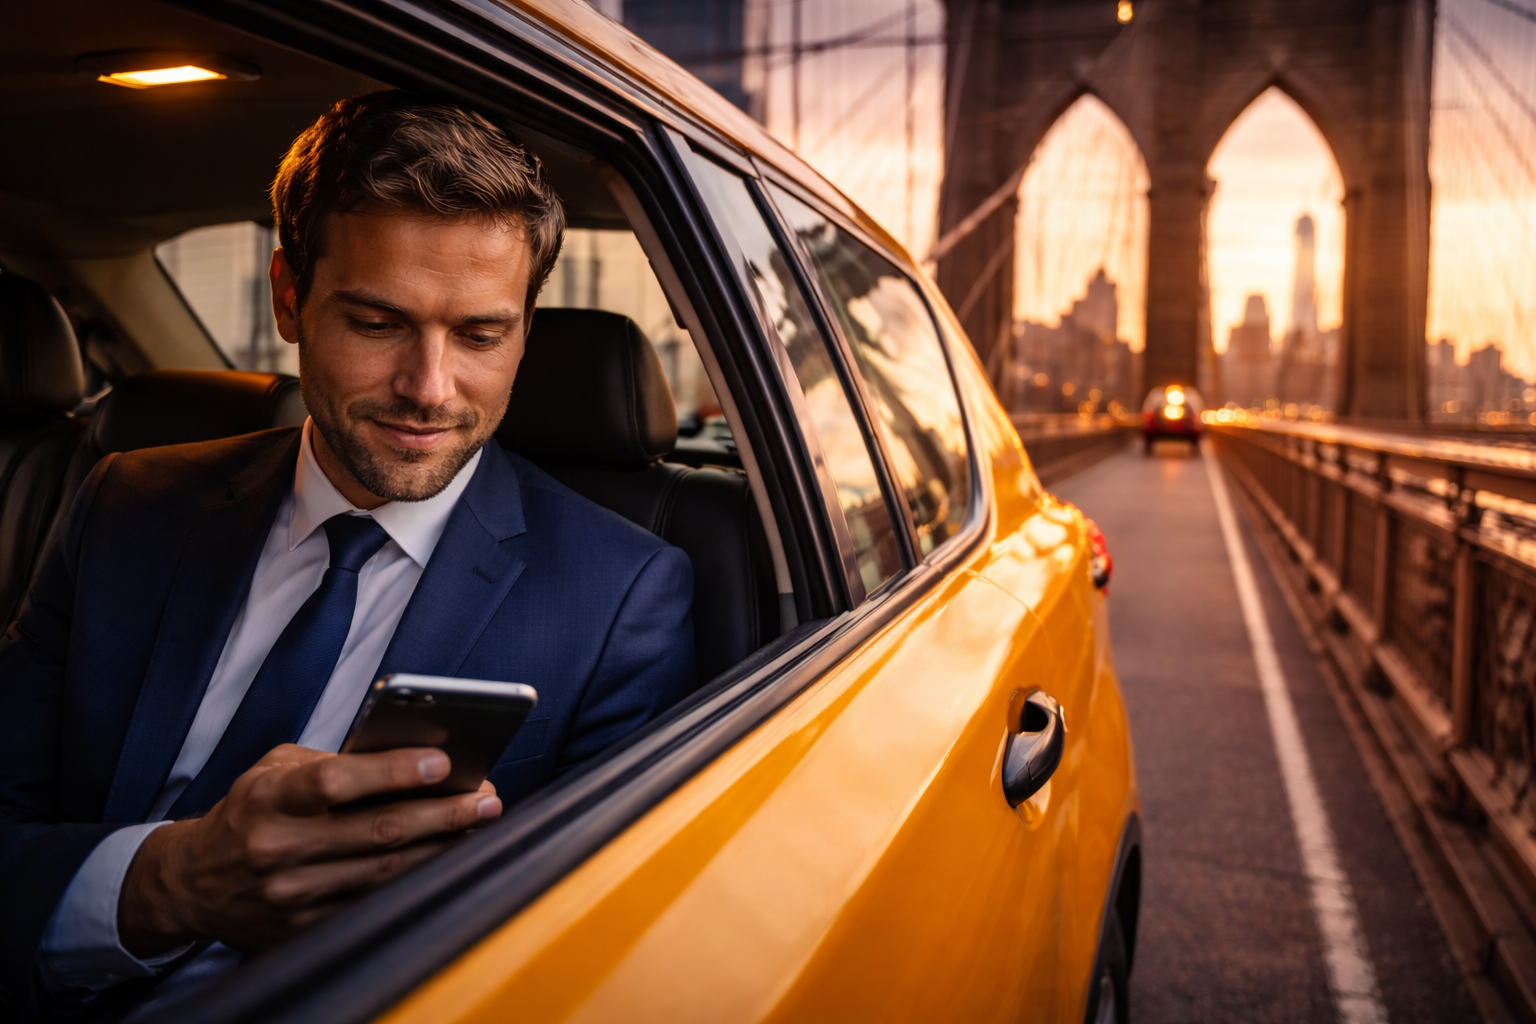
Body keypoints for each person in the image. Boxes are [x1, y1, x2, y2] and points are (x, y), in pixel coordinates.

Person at [0, 91, 695, 1021]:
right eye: (377, 324)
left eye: (482, 335)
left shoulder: (622, 595)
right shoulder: (127, 502)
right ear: (290, 299)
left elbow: (585, 952)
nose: (429, 390)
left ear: (527, 327)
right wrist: (162, 885)